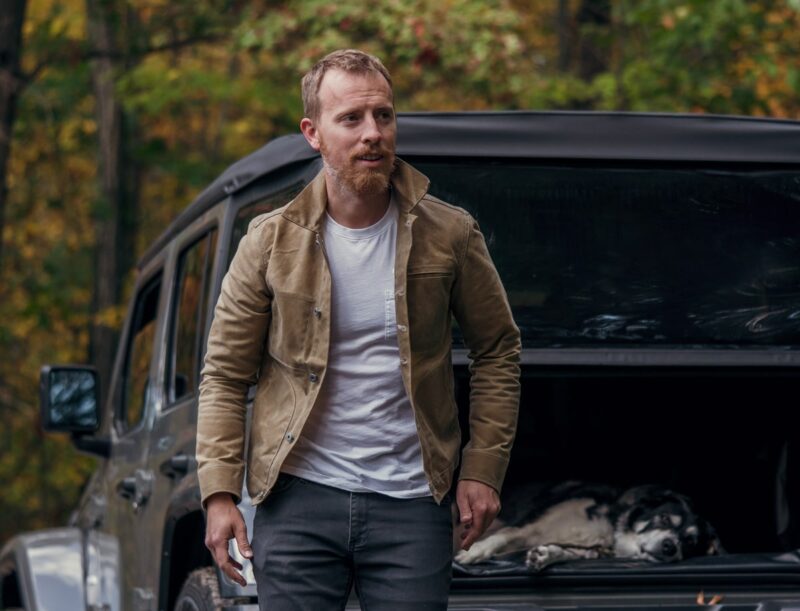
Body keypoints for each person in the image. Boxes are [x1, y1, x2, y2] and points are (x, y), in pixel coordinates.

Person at [197, 49, 521, 610]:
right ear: (313, 133)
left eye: (384, 116)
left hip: (413, 502)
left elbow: (497, 352)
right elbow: (225, 373)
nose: (372, 133)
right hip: (297, 499)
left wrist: (483, 470)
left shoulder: (451, 234)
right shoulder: (269, 242)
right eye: (351, 119)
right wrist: (220, 494)